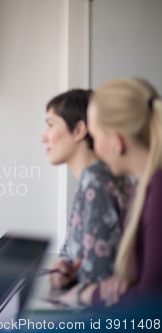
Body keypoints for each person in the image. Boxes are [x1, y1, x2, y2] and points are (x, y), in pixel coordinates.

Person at [62, 78, 162, 308]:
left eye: (95, 138)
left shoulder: (158, 190)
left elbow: (151, 303)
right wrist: (122, 284)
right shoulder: (143, 187)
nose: (95, 148)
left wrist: (87, 295)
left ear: (115, 141)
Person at [41, 89, 132, 290]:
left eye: (50, 125)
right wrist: (64, 267)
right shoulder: (93, 177)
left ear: (79, 131)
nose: (43, 137)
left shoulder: (96, 180)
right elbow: (74, 253)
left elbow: (99, 275)